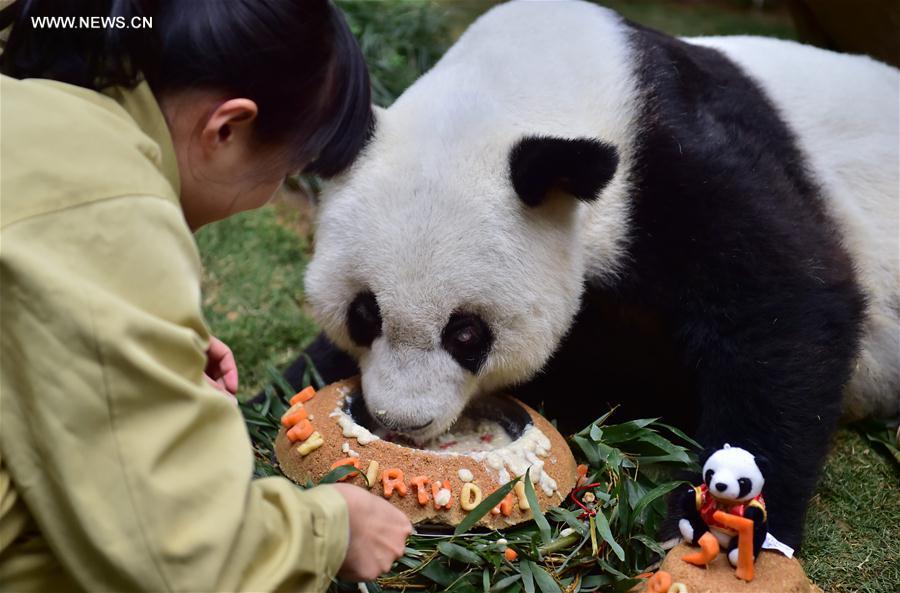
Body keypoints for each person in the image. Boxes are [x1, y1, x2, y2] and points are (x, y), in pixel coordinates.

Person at [0, 1, 412, 591]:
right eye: (286, 172)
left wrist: (146, 338)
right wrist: (329, 532)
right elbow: (176, 557)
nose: (272, 192)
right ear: (226, 128)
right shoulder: (112, 208)